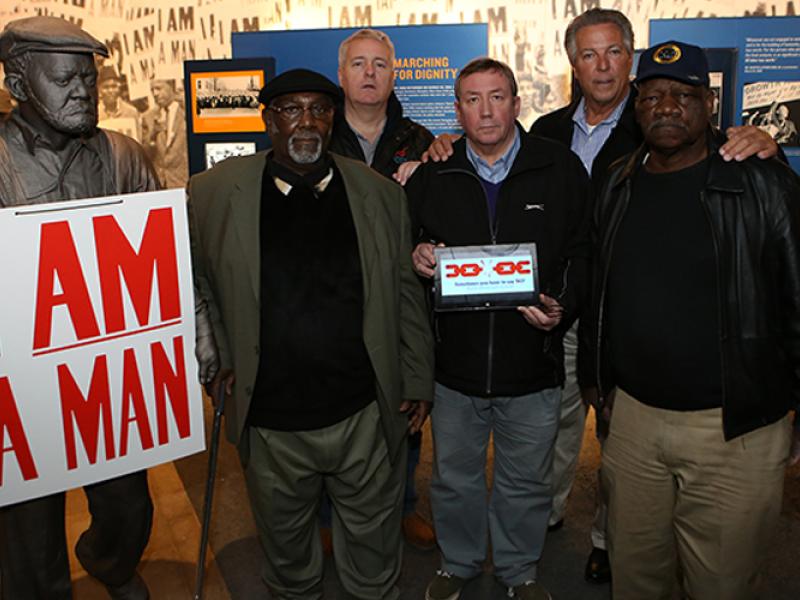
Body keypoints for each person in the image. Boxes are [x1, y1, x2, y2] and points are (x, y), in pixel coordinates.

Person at [188, 68, 434, 600]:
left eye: (319, 110)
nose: (306, 122)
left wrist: (416, 377)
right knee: (287, 556)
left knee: (374, 551)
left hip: (364, 412)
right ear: (267, 120)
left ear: (333, 118)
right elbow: (198, 284)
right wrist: (216, 361)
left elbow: (404, 292)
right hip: (271, 421)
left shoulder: (378, 195)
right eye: (290, 110)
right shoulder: (210, 194)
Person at [589, 40, 800, 600]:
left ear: (709, 104)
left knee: (721, 584)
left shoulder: (765, 184)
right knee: (635, 577)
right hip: (632, 422)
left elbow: (797, 300)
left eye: (682, 95)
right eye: (652, 96)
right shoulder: (615, 183)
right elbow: (600, 288)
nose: (666, 107)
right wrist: (599, 386)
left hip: (734, 428)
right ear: (636, 107)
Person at [407, 57, 590, 600]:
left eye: (497, 97)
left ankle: (518, 570)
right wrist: (415, 254)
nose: (485, 110)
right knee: (454, 480)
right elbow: (405, 248)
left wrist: (564, 305)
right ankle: (458, 563)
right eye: (471, 99)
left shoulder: (558, 168)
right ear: (457, 109)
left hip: (532, 362)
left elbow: (584, 250)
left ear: (516, 102)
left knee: (526, 482)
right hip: (456, 368)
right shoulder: (433, 175)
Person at [0, 15, 158, 600]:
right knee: (28, 528)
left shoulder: (123, 156)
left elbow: (166, 259)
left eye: (89, 81)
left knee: (129, 506)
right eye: (64, 80)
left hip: (109, 374)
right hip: (21, 378)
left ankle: (107, 560)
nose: (83, 93)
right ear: (19, 84)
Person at [319, 27, 436, 552]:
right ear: (341, 75)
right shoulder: (316, 135)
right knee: (329, 408)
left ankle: (405, 506)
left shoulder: (422, 140)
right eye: (359, 64)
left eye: (380, 65)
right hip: (331, 296)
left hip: (400, 295)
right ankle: (324, 517)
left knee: (404, 403)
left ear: (394, 75)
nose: (369, 74)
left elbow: (437, 217)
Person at [141, 78, 188, 189]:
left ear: (171, 87)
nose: (155, 94)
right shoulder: (148, 117)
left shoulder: (186, 113)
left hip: (183, 180)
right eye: (152, 90)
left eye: (158, 88)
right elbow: (144, 154)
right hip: (160, 184)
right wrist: (152, 136)